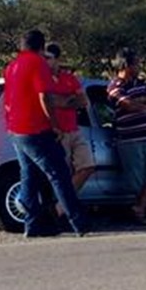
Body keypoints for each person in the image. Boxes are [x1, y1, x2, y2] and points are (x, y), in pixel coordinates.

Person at [2, 29, 89, 237]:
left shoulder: (11, 67)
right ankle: (78, 222)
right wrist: (55, 124)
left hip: (15, 129)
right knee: (59, 174)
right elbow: (45, 97)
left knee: (29, 176)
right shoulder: (37, 63)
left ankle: (32, 225)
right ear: (41, 47)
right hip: (35, 128)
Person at [107, 48, 146, 223]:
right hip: (129, 140)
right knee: (136, 181)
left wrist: (141, 101)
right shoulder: (114, 86)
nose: (140, 67)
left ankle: (141, 207)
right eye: (137, 63)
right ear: (126, 65)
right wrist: (143, 102)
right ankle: (143, 210)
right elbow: (127, 105)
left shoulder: (141, 83)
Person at [44, 43, 96, 206]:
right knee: (62, 173)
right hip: (56, 132)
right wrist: (68, 100)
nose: (45, 62)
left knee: (87, 165)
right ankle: (64, 207)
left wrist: (62, 101)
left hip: (74, 130)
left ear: (57, 59)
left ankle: (62, 206)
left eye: (48, 58)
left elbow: (82, 101)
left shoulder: (69, 78)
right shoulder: (42, 79)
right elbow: (48, 101)